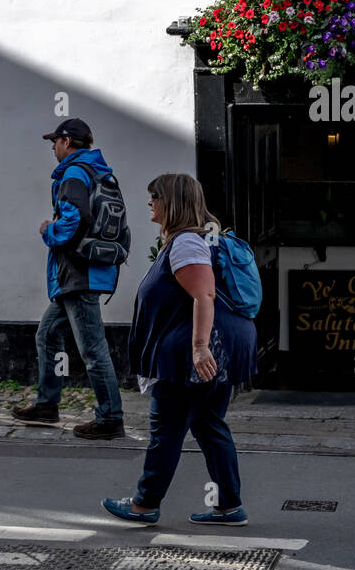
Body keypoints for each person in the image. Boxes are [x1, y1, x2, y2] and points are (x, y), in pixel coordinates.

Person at [102, 173, 256, 526]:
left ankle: (144, 504)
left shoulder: (187, 242)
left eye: (155, 195)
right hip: (224, 345)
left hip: (194, 354)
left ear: (172, 202)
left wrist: (200, 348)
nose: (150, 202)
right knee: (209, 424)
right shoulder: (195, 239)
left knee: (167, 428)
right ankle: (229, 505)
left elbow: (204, 294)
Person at [12, 118, 125, 440]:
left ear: (67, 142)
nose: (52, 147)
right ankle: (47, 404)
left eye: (54, 141)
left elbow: (74, 221)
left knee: (92, 349)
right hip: (80, 272)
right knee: (47, 334)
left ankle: (110, 418)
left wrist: (49, 229)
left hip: (80, 272)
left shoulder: (75, 173)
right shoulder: (97, 171)